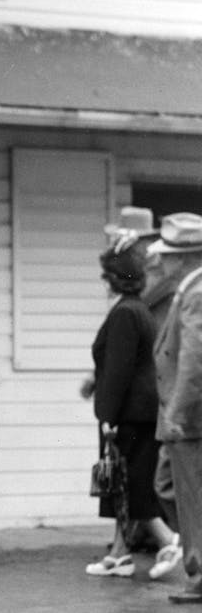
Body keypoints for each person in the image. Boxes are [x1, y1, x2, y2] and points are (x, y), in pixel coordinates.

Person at [83, 219, 181, 580]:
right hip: (143, 412)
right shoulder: (138, 308)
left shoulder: (125, 312)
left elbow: (119, 370)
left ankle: (169, 541)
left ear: (114, 278)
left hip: (128, 414)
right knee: (125, 486)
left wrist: (106, 414)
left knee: (131, 485)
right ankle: (120, 554)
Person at [151, 212, 202, 604]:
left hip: (191, 419)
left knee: (189, 495)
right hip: (188, 416)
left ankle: (199, 573)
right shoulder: (189, 290)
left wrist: (176, 413)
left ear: (186, 257)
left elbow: (193, 360)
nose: (161, 261)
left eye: (168, 255)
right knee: (172, 488)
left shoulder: (196, 292)